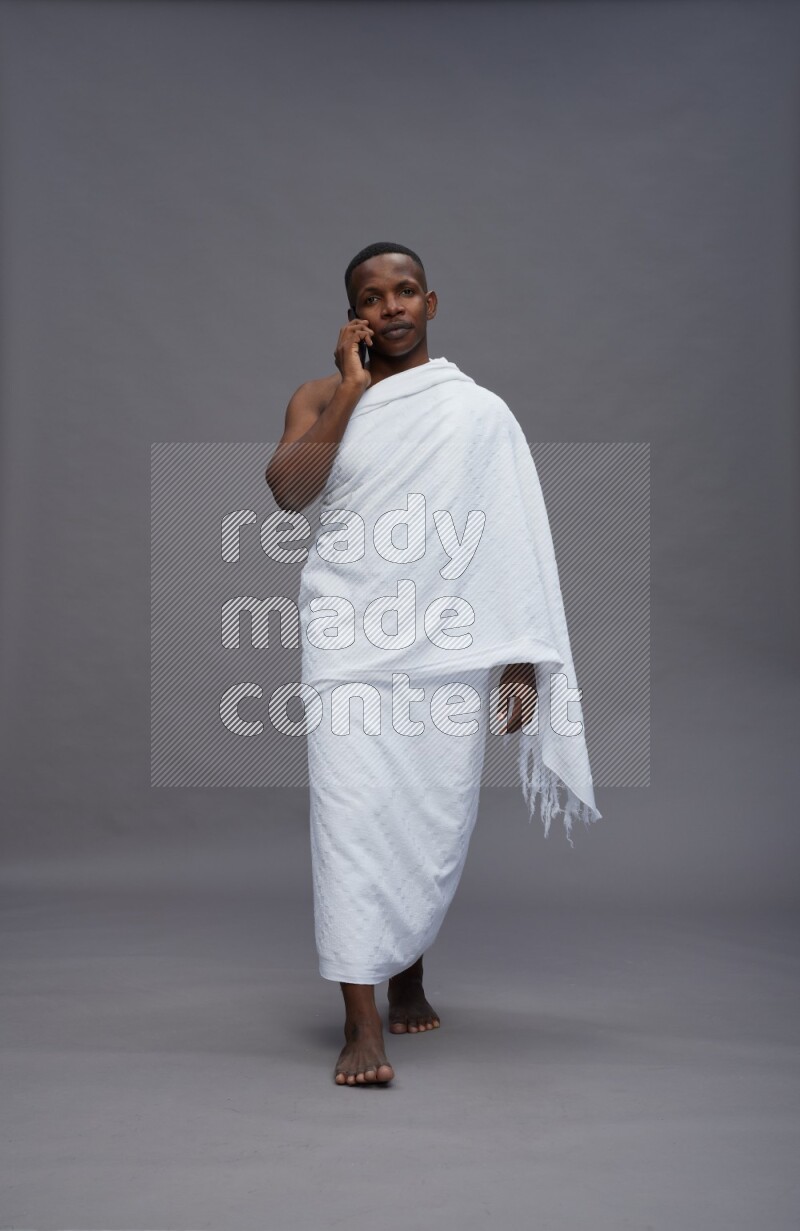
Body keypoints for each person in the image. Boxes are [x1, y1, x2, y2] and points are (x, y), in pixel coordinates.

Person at [266, 243, 598, 1086]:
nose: (391, 307)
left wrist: (520, 660)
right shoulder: (319, 396)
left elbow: (513, 536)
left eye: (405, 290)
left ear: (433, 302)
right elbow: (289, 489)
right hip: (347, 638)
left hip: (444, 645)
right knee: (348, 817)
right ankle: (360, 1021)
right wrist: (349, 390)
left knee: (430, 814)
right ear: (351, 316)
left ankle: (408, 963)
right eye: (371, 297)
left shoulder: (478, 412)